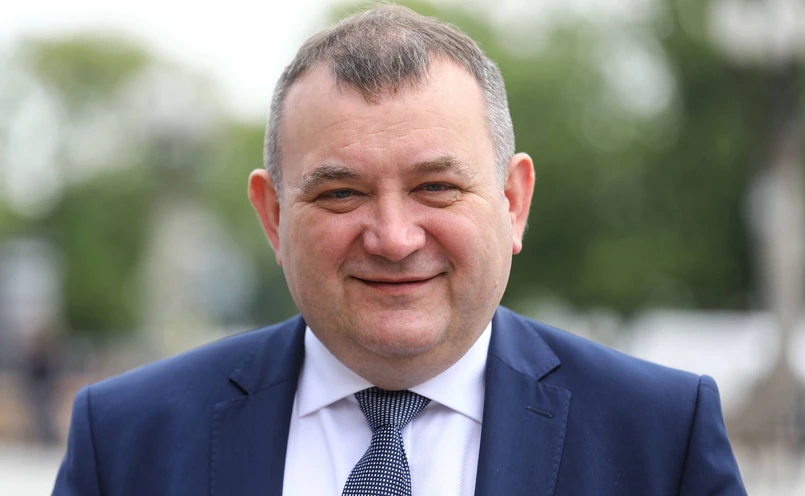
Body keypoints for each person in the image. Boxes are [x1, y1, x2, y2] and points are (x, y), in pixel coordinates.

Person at [53, 5, 746, 495]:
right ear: (273, 216)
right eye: (340, 194)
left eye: (436, 187)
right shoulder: (125, 442)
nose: (392, 238)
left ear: (513, 201)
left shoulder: (659, 438)